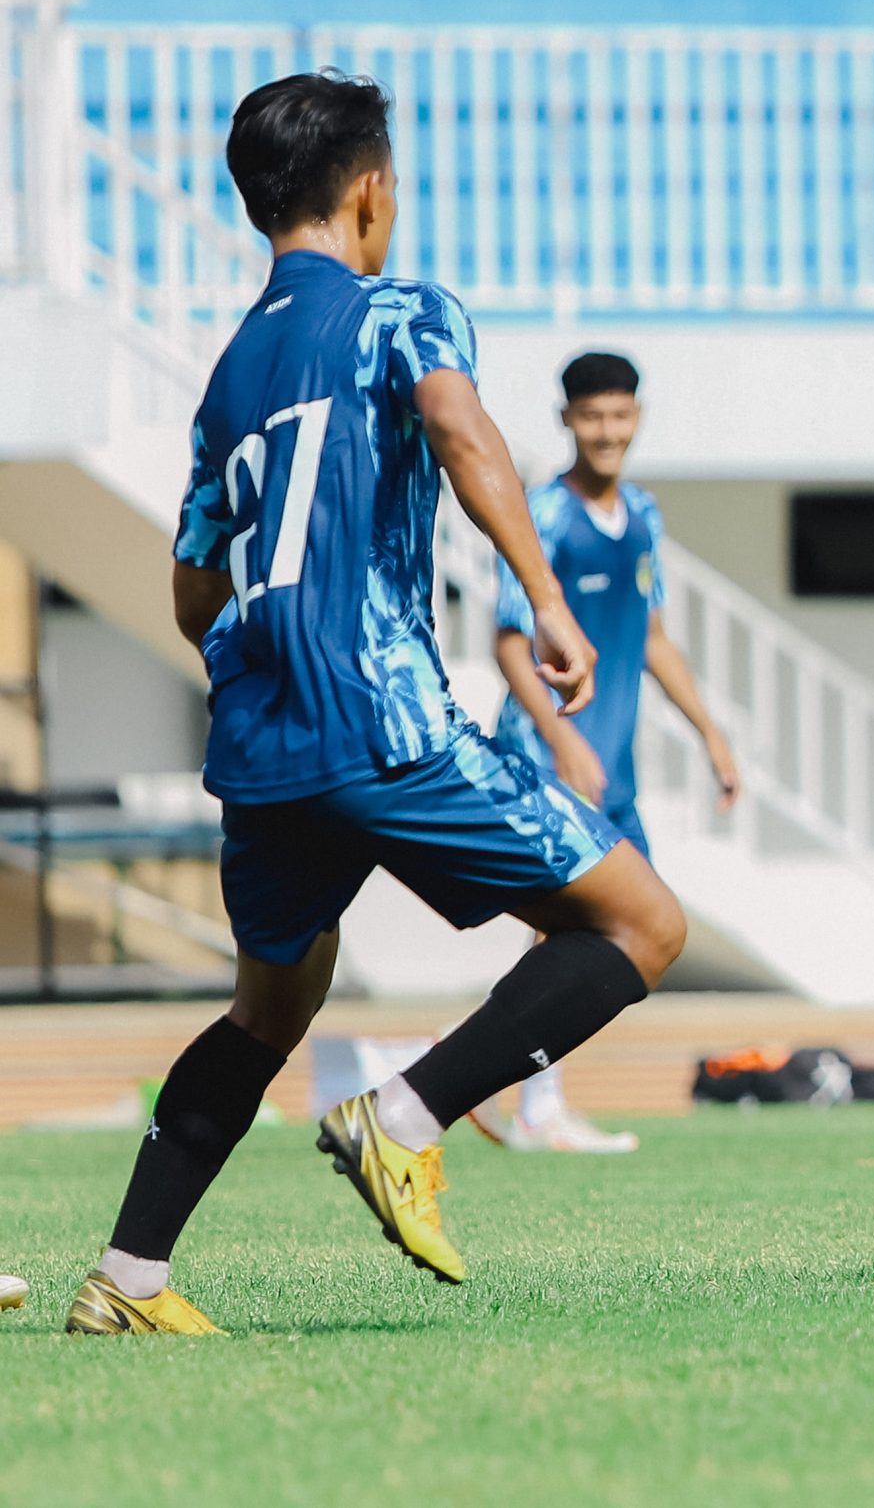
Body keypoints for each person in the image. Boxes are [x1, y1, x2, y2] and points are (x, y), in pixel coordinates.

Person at [66, 72, 687, 1336]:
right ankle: (401, 1117)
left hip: (261, 733)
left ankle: (126, 1279)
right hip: (378, 714)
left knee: (270, 1006)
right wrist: (545, 598)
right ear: (371, 191)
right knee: (640, 921)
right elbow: (460, 432)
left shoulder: (232, 371)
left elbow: (193, 589)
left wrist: (268, 655)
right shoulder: (400, 310)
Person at [472, 350, 739, 1153]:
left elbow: (652, 637)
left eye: (619, 415)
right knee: (587, 928)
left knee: (624, 934)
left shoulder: (644, 517)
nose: (606, 431)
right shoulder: (544, 517)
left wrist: (711, 733)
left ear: (638, 417)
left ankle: (487, 1073)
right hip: (551, 758)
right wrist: (562, 741)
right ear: (566, 421)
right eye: (591, 416)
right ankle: (532, 1102)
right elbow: (511, 645)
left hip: (610, 767)